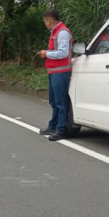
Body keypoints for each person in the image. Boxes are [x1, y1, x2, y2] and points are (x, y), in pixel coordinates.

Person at [38, 9, 73, 142]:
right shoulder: (55, 32)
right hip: (54, 71)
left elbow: (63, 53)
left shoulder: (62, 33)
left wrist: (46, 53)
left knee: (61, 102)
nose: (45, 24)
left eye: (45, 21)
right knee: (54, 101)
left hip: (61, 72)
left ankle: (60, 130)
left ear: (49, 20)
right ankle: (53, 126)